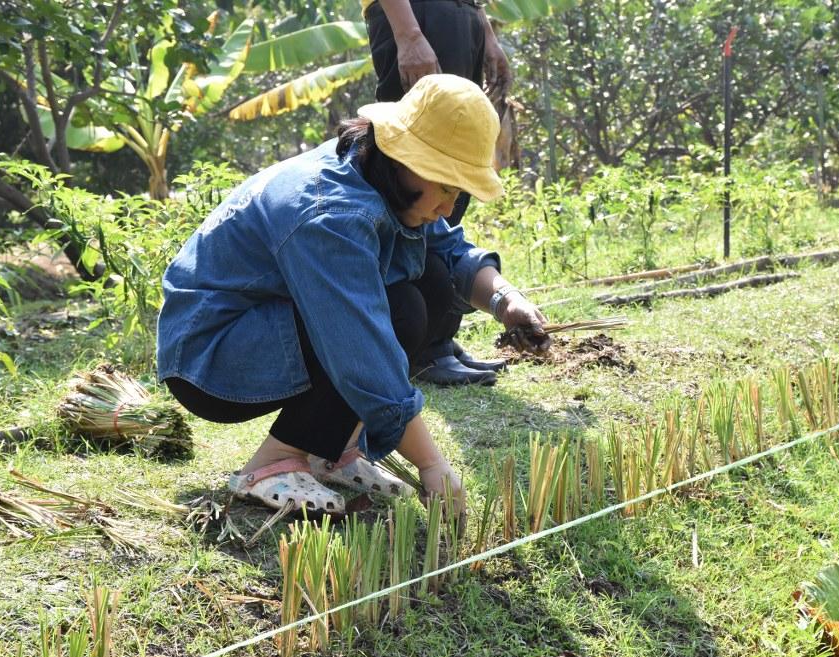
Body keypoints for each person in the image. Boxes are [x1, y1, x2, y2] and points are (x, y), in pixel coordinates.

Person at [156, 75, 550, 515]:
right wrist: (432, 464)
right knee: (401, 311)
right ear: (407, 156)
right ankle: (273, 464)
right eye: (445, 188)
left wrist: (506, 301)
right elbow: (361, 351)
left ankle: (333, 450)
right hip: (210, 356)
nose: (446, 207)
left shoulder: (378, 169)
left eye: (457, 193)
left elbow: (448, 249)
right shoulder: (330, 215)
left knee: (432, 282)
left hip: (262, 325)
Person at [363, 0, 515, 385]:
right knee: (415, 174)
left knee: (451, 181)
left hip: (458, 14)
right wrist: (409, 32)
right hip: (416, 14)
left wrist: (485, 33)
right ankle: (417, 343)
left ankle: (439, 337)